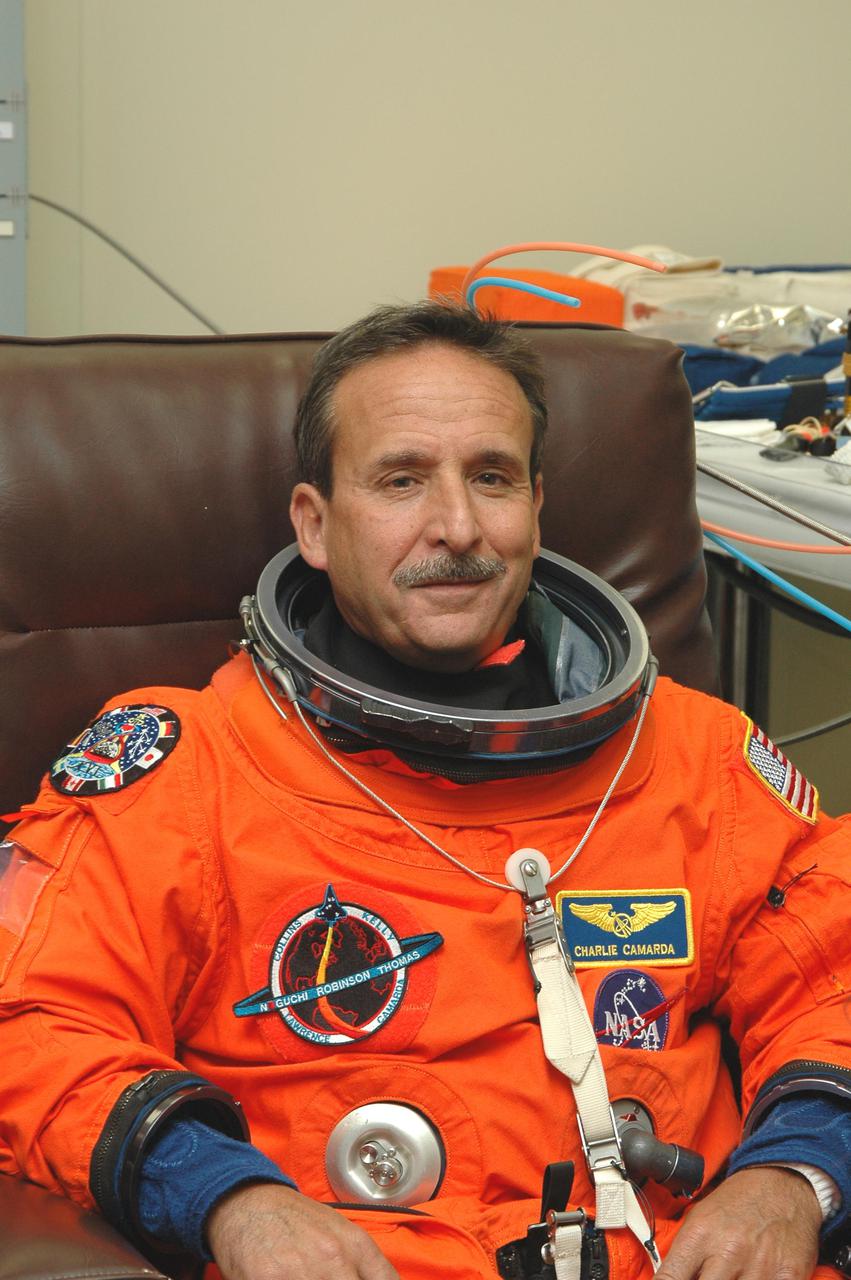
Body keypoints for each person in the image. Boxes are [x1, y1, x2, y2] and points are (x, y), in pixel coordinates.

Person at [1, 301, 850, 1280]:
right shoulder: (190, 768)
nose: (454, 526)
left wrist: (794, 1175)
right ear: (315, 524)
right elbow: (31, 1023)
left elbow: (831, 968)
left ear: (535, 502)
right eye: (400, 480)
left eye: (489, 477)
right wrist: (227, 1198)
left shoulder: (693, 755)